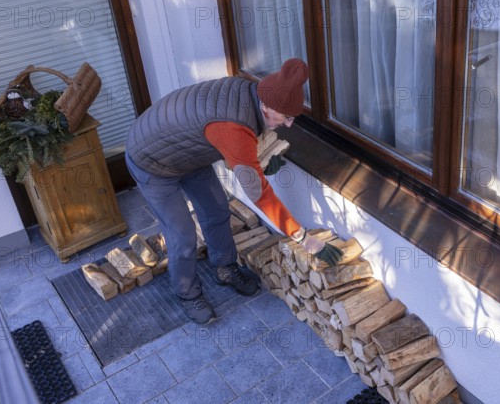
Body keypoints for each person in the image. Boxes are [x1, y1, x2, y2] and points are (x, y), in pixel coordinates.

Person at [124, 58, 343, 324]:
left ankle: (225, 268)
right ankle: (188, 294)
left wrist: (259, 157)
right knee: (181, 234)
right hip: (151, 161)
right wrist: (303, 238)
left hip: (189, 154)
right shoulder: (232, 126)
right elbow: (259, 193)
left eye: (292, 117)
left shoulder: (250, 91)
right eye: (285, 117)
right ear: (266, 105)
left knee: (217, 209)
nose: (288, 125)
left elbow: (235, 142)